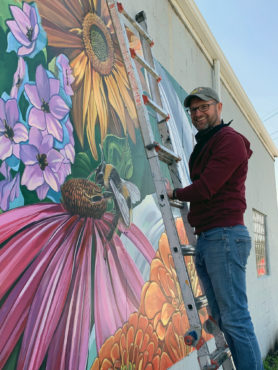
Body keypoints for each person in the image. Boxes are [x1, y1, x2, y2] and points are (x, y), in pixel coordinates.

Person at [167, 87, 263, 370]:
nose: (197, 113)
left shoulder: (229, 141)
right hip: (210, 237)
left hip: (224, 236)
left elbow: (207, 187)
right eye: (193, 110)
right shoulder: (208, 143)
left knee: (235, 318)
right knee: (222, 315)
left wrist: (174, 193)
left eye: (203, 107)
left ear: (218, 107)